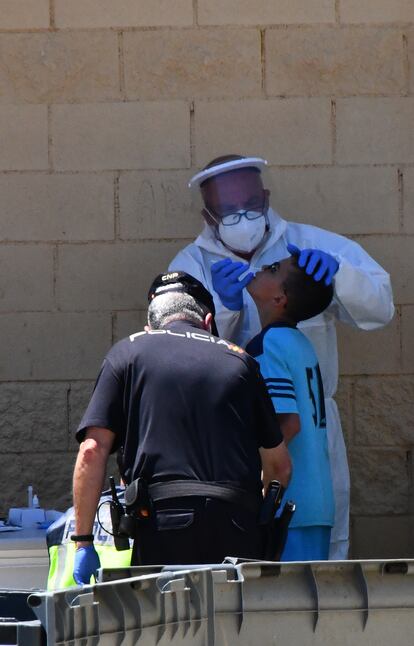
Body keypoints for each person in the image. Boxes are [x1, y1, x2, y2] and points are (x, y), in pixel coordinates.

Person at [169, 154, 394, 559]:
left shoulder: (307, 246)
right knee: (248, 552)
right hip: (234, 434)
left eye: (252, 205)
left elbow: (380, 309)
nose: (243, 217)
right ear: (208, 214)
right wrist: (225, 309)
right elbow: (178, 352)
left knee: (319, 558)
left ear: (267, 196)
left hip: (308, 432)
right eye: (228, 210)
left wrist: (340, 273)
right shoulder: (190, 265)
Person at [71, 271, 291, 584]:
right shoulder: (240, 361)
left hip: (160, 524)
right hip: (236, 525)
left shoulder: (127, 353)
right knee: (234, 627)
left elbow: (92, 450)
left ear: (150, 327)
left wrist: (83, 541)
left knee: (167, 629)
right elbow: (279, 467)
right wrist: (261, 525)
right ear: (207, 321)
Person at [245, 253, 335, 560]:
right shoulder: (299, 341)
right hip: (317, 504)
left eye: (272, 269)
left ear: (280, 298)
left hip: (288, 506)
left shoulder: (266, 344)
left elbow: (288, 424)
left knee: (283, 604)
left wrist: (256, 478)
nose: (261, 268)